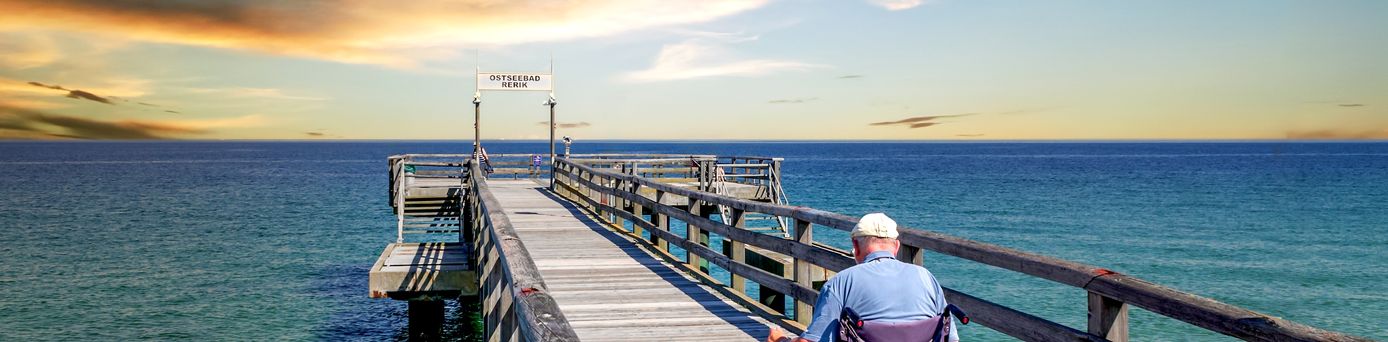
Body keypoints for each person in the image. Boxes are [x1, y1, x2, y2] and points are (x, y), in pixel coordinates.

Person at [770, 213, 959, 342]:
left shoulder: (841, 282)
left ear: (855, 246)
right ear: (896, 246)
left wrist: (780, 340)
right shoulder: (926, 278)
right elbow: (951, 337)